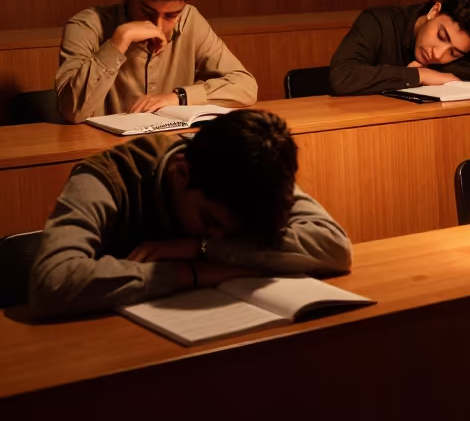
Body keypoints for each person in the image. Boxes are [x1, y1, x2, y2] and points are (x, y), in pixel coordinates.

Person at [29, 109, 351, 318]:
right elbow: (52, 282)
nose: (218, 236)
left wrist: (204, 249)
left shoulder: (254, 171)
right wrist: (189, 272)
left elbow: (333, 246)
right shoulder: (107, 177)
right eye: (210, 222)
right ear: (181, 173)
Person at [56, 0, 257, 122]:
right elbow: (72, 111)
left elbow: (245, 87)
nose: (157, 27)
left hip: (173, 151)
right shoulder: (85, 26)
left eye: (171, 16)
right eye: (147, 11)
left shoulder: (190, 20)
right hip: (108, 153)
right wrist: (118, 41)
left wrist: (180, 97)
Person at [329, 0, 470, 96]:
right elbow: (342, 76)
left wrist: (435, 71)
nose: (438, 54)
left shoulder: (466, 45)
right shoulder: (380, 21)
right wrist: (420, 76)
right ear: (434, 11)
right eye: (441, 36)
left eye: (454, 53)